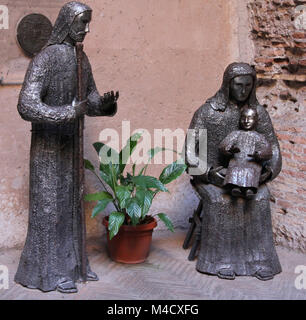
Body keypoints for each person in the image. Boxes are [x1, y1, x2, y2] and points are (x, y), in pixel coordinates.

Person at [15, 2, 119, 293]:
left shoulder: (81, 59)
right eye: (81, 23)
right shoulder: (45, 58)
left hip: (71, 148)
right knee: (50, 210)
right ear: (66, 23)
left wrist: (104, 105)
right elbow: (26, 105)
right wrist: (68, 113)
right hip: (48, 151)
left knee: (71, 205)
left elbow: (90, 99)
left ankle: (75, 267)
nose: (86, 29)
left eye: (88, 23)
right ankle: (50, 273)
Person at [185, 62, 282, 280]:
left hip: (250, 176)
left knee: (261, 197)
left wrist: (268, 172)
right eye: (238, 85)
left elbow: (273, 149)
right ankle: (220, 262)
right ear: (227, 84)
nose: (243, 90)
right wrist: (209, 173)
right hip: (212, 177)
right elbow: (190, 153)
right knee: (222, 201)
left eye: (248, 86)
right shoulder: (207, 112)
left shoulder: (258, 114)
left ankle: (260, 260)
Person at [219, 106, 272, 199]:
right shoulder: (235, 134)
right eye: (244, 118)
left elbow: (268, 151)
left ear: (255, 120)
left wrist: (259, 154)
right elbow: (223, 145)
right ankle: (234, 187)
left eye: (250, 118)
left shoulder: (259, 137)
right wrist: (230, 149)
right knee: (234, 168)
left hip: (252, 163)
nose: (246, 121)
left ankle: (249, 190)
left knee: (252, 170)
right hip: (237, 161)